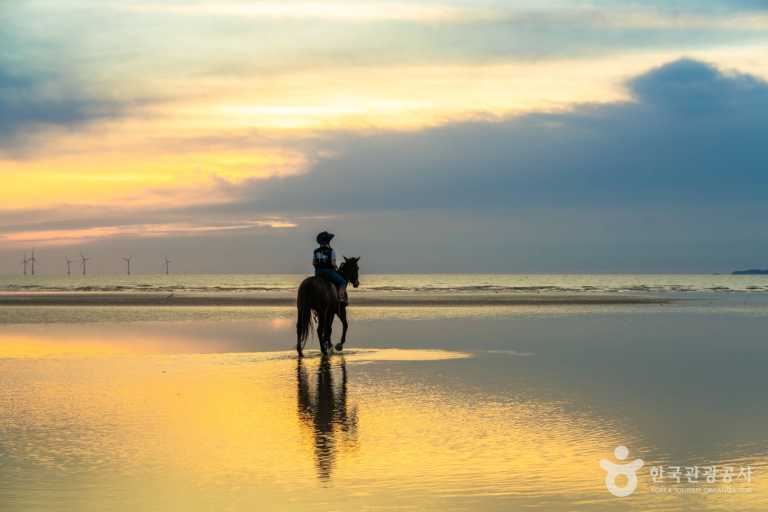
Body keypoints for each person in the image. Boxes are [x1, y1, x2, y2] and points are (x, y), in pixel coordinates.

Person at [313, 231, 348, 305]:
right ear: (328, 241)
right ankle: (341, 299)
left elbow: (313, 263)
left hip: (317, 272)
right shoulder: (331, 251)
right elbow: (333, 264)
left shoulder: (315, 251)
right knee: (342, 282)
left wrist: (319, 263)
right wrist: (337, 267)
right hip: (328, 271)